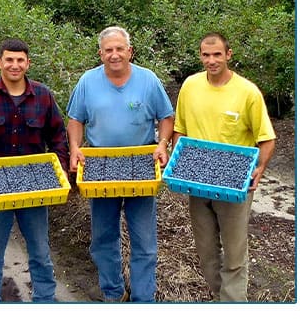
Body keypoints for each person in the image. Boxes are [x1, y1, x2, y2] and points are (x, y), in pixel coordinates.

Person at [0, 38, 69, 302]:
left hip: (35, 187)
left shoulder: (43, 96)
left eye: (20, 60)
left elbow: (58, 139)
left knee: (40, 252)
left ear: (28, 63)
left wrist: (60, 172)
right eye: (9, 59)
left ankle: (45, 302)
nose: (14, 65)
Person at [66, 26, 174, 302]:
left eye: (119, 49)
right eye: (108, 50)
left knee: (144, 240)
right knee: (103, 238)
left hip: (141, 164)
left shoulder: (148, 80)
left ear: (130, 51)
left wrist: (162, 144)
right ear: (101, 54)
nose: (114, 55)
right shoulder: (88, 82)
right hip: (100, 165)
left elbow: (166, 117)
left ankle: (143, 297)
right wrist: (76, 148)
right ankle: (113, 293)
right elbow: (76, 119)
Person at [172, 32, 276, 302]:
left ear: (228, 55)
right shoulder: (190, 86)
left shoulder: (247, 92)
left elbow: (266, 138)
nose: (211, 60)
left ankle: (233, 304)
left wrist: (260, 168)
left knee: (233, 252)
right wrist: (178, 161)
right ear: (200, 56)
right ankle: (221, 296)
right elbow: (179, 130)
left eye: (217, 54)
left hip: (234, 183)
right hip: (197, 180)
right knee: (206, 250)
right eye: (206, 55)